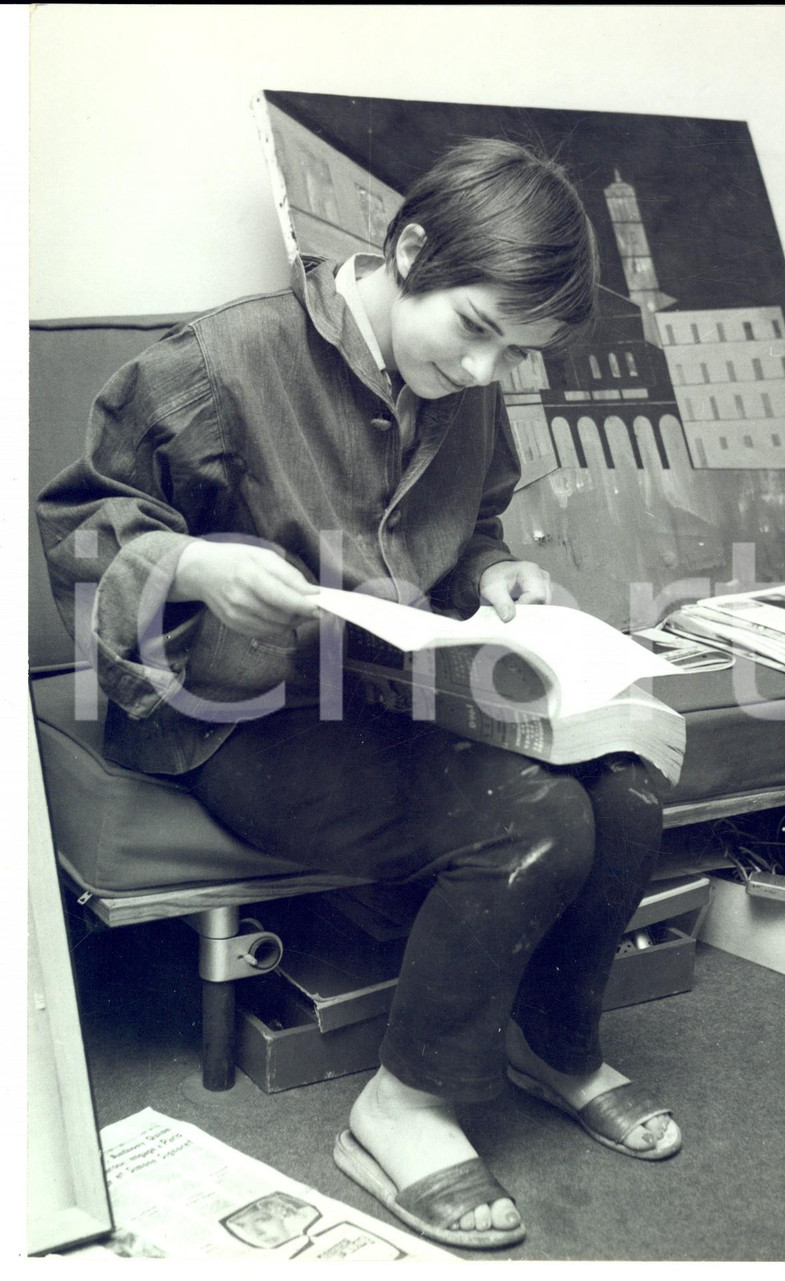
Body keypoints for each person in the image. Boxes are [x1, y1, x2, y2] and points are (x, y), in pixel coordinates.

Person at [37, 138, 681, 1251]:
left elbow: (471, 524)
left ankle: (554, 1041)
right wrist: (196, 569)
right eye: (477, 330)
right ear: (409, 249)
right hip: (230, 711)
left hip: (381, 688)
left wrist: (495, 573)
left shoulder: (461, 384)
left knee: (622, 789)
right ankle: (400, 1108)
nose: (485, 371)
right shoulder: (221, 360)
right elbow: (80, 533)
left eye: (510, 355)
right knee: (530, 824)